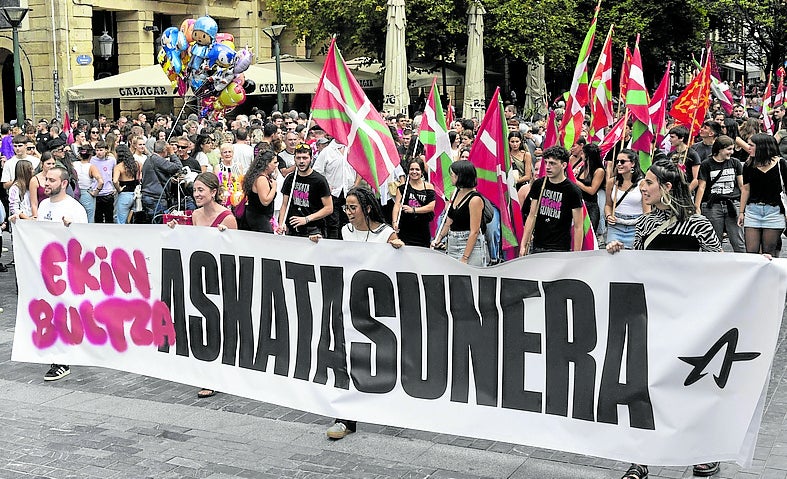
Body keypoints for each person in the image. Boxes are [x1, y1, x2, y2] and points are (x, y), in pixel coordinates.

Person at [607, 158, 721, 479]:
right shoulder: (646, 222)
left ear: (667, 188)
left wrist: (758, 268)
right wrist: (619, 251)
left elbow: (721, 266)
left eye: (648, 183)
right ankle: (640, 458)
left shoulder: (698, 224)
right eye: (643, 182)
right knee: (647, 383)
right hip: (653, 311)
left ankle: (703, 451)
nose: (641, 187)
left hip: (688, 314)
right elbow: (639, 263)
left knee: (688, 383)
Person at [317, 185, 403, 439]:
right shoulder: (345, 231)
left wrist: (399, 248)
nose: (348, 212)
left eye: (353, 207)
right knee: (348, 360)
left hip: (378, 311)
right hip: (350, 305)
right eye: (346, 207)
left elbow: (401, 264)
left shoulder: (386, 234)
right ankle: (345, 419)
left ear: (367, 208)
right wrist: (318, 246)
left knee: (380, 360)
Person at [12, 162, 88, 381]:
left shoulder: (75, 209)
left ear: (64, 183)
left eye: (51, 180)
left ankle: (62, 360)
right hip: (47, 271)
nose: (46, 183)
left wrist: (72, 229)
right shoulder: (44, 206)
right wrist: (21, 223)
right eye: (46, 179)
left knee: (64, 314)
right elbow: (38, 232)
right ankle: (59, 355)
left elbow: (85, 242)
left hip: (67, 272)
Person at [167, 172, 236, 399]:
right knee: (203, 324)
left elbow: (235, 254)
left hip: (221, 278)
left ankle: (220, 374)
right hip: (201, 275)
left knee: (219, 326)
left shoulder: (227, 218)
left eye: (201, 190)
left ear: (213, 192)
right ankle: (208, 371)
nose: (196, 194)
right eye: (195, 190)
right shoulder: (196, 215)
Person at [519, 146, 583, 255]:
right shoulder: (539, 184)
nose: (548, 167)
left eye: (552, 163)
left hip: (560, 248)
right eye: (546, 163)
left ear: (563, 165)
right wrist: (523, 244)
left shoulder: (573, 190)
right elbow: (531, 215)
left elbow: (578, 226)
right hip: (538, 245)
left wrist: (576, 255)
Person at [738, 133, 787, 257]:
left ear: (762, 147)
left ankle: (770, 276)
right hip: (752, 211)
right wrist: (741, 212)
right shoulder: (749, 165)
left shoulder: (781, 164)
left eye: (751, 145)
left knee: (768, 253)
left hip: (774, 212)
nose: (748, 148)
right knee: (751, 252)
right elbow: (745, 189)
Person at [432, 160, 488, 266]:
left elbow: (474, 231)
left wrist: (465, 257)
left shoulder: (475, 199)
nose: (450, 178)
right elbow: (448, 222)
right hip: (452, 242)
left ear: (460, 177)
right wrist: (439, 238)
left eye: (452, 175)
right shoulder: (455, 193)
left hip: (469, 244)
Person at [694, 135, 745, 252]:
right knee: (713, 242)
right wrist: (697, 207)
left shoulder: (735, 163)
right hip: (712, 206)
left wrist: (743, 208)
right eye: (729, 149)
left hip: (732, 204)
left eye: (732, 149)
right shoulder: (707, 164)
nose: (731, 152)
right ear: (720, 149)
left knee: (738, 241)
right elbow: (702, 186)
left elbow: (742, 186)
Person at [276, 143, 333, 237]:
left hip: (313, 229)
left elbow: (329, 208)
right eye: (298, 158)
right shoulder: (290, 178)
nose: (301, 161)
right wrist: (281, 224)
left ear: (311, 159)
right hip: (292, 228)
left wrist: (306, 219)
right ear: (294, 159)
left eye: (305, 158)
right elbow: (284, 205)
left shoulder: (319, 180)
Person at [604, 149, 649, 249]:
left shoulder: (642, 184)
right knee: (613, 256)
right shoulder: (612, 182)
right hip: (615, 225)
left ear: (632, 163)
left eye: (622, 161)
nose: (619, 164)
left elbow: (647, 212)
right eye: (617, 162)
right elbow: (608, 205)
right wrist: (608, 216)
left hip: (636, 227)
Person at [392, 157, 435, 247]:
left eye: (417, 169)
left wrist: (413, 210)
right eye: (411, 169)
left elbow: (431, 206)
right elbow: (397, 205)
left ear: (422, 172)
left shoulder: (429, 187)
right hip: (405, 228)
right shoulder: (402, 188)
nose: (414, 172)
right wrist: (394, 222)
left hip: (422, 229)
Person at [141, 140, 183, 223]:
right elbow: (178, 167)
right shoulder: (157, 159)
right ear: (164, 150)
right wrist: (172, 153)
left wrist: (170, 180)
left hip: (149, 196)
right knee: (159, 224)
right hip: (156, 198)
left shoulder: (149, 159)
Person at [242, 150, 278, 233]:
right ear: (267, 164)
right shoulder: (261, 179)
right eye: (275, 163)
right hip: (259, 219)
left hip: (257, 217)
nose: (276, 165)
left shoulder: (258, 176)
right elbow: (265, 201)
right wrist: (274, 188)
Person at [575, 142, 605, 231]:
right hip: (579, 205)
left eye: (583, 153)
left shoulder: (599, 171)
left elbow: (592, 190)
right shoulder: (583, 168)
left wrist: (577, 182)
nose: (581, 155)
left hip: (590, 207)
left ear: (588, 155)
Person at [73, 144, 104, 223]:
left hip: (75, 192)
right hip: (87, 193)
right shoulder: (91, 167)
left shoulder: (74, 164)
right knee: (89, 219)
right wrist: (96, 192)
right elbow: (101, 181)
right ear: (90, 155)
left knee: (76, 217)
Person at [113, 144, 140, 224]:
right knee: (133, 220)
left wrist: (119, 189)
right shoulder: (136, 164)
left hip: (124, 195)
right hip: (136, 194)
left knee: (121, 222)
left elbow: (115, 181)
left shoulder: (119, 167)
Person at [90, 141, 116, 223]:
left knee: (109, 217)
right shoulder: (92, 160)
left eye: (101, 150)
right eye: (97, 150)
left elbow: (113, 174)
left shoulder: (112, 160)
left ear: (106, 150)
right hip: (96, 192)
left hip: (108, 193)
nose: (99, 152)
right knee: (98, 218)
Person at [29, 152, 56, 217]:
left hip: (56, 211)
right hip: (41, 213)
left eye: (53, 164)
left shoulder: (58, 178)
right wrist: (35, 217)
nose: (51, 166)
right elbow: (34, 203)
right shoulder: (34, 180)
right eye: (48, 164)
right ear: (42, 164)